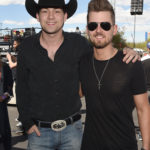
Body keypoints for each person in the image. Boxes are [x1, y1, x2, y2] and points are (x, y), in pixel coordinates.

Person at [16, 0, 139, 150]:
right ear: (37, 15)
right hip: (39, 134)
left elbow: (104, 52)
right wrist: (27, 123)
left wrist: (127, 51)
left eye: (57, 11)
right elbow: (21, 89)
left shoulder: (80, 44)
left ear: (65, 15)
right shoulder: (26, 48)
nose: (50, 17)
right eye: (45, 11)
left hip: (73, 133)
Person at [79, 0, 150, 150]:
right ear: (87, 29)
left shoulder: (130, 62)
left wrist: (146, 146)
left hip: (124, 145)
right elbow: (77, 92)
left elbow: (143, 108)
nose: (98, 30)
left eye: (105, 25)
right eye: (93, 25)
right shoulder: (82, 61)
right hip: (89, 145)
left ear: (114, 29)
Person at [6, 37, 24, 134]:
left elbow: (12, 65)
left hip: (21, 81)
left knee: (21, 102)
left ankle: (23, 123)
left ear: (19, 44)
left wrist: (9, 58)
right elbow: (17, 62)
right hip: (18, 79)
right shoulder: (21, 53)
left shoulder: (23, 53)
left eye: (15, 44)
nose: (13, 45)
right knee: (19, 101)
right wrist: (12, 58)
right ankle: (22, 119)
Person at [0, 57, 13, 150]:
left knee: (4, 130)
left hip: (1, 103)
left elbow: (9, 87)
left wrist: (3, 97)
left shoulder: (5, 67)